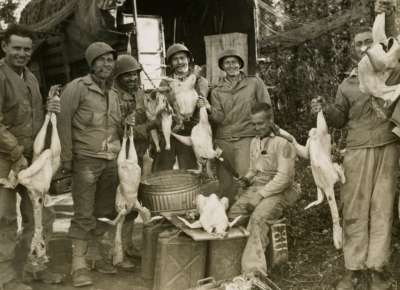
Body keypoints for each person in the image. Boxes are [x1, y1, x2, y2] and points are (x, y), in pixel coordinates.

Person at [311, 1, 399, 289]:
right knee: (355, 209)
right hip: (358, 150)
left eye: (368, 42)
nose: (364, 47)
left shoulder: (394, 73)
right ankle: (353, 268)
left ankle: (377, 269)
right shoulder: (347, 84)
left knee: (382, 208)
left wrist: (386, 12)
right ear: (353, 50)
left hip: (387, 147)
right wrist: (323, 108)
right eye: (359, 44)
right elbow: (338, 118)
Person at [0, 24, 64, 290]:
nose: (22, 53)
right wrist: (16, 154)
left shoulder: (32, 78)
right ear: (4, 46)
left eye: (27, 49)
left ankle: (33, 267)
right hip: (4, 161)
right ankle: (5, 278)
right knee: (4, 219)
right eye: (16, 48)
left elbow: (33, 118)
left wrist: (47, 108)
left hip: (31, 160)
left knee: (39, 217)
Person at [58, 42, 123, 287]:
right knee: (84, 212)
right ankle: (78, 265)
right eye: (102, 60)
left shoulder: (113, 94)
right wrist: (66, 158)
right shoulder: (76, 88)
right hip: (85, 160)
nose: (107, 64)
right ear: (91, 63)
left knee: (105, 212)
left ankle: (98, 258)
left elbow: (114, 126)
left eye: (110, 60)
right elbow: (63, 123)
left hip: (110, 161)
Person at [228, 103, 299, 275]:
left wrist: (259, 196)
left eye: (260, 123)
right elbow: (255, 169)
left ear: (270, 120)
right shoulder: (255, 142)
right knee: (233, 216)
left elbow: (284, 178)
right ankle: (236, 262)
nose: (257, 128)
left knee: (258, 218)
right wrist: (246, 179)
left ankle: (254, 273)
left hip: (281, 190)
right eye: (254, 124)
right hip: (259, 186)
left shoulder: (283, 143)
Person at [208, 49, 271, 203]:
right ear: (222, 66)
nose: (231, 66)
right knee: (226, 182)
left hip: (247, 136)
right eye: (227, 63)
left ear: (240, 64)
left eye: (234, 62)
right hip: (224, 140)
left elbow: (266, 107)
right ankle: (226, 215)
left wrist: (267, 133)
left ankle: (249, 210)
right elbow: (219, 118)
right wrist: (209, 109)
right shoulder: (216, 90)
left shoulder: (254, 83)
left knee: (246, 176)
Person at [152, 43, 209, 171]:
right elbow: (159, 109)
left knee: (190, 169)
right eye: (175, 59)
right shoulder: (165, 82)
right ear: (171, 63)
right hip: (171, 131)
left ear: (188, 59)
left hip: (193, 131)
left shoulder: (200, 81)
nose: (179, 62)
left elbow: (203, 104)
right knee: (164, 168)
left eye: (182, 58)